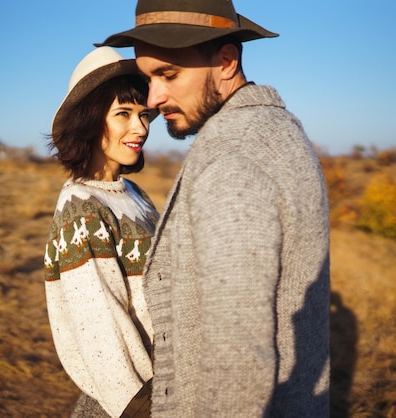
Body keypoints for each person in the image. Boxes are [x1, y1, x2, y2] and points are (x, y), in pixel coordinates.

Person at [97, 1, 331, 416]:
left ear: (226, 61)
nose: (154, 98)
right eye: (148, 77)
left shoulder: (231, 157)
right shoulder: (277, 131)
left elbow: (237, 353)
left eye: (168, 75)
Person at [43, 47, 158, 418]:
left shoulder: (135, 196)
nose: (140, 127)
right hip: (129, 403)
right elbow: (98, 329)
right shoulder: (82, 207)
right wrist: (140, 405)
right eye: (123, 114)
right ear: (90, 121)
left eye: (143, 114)